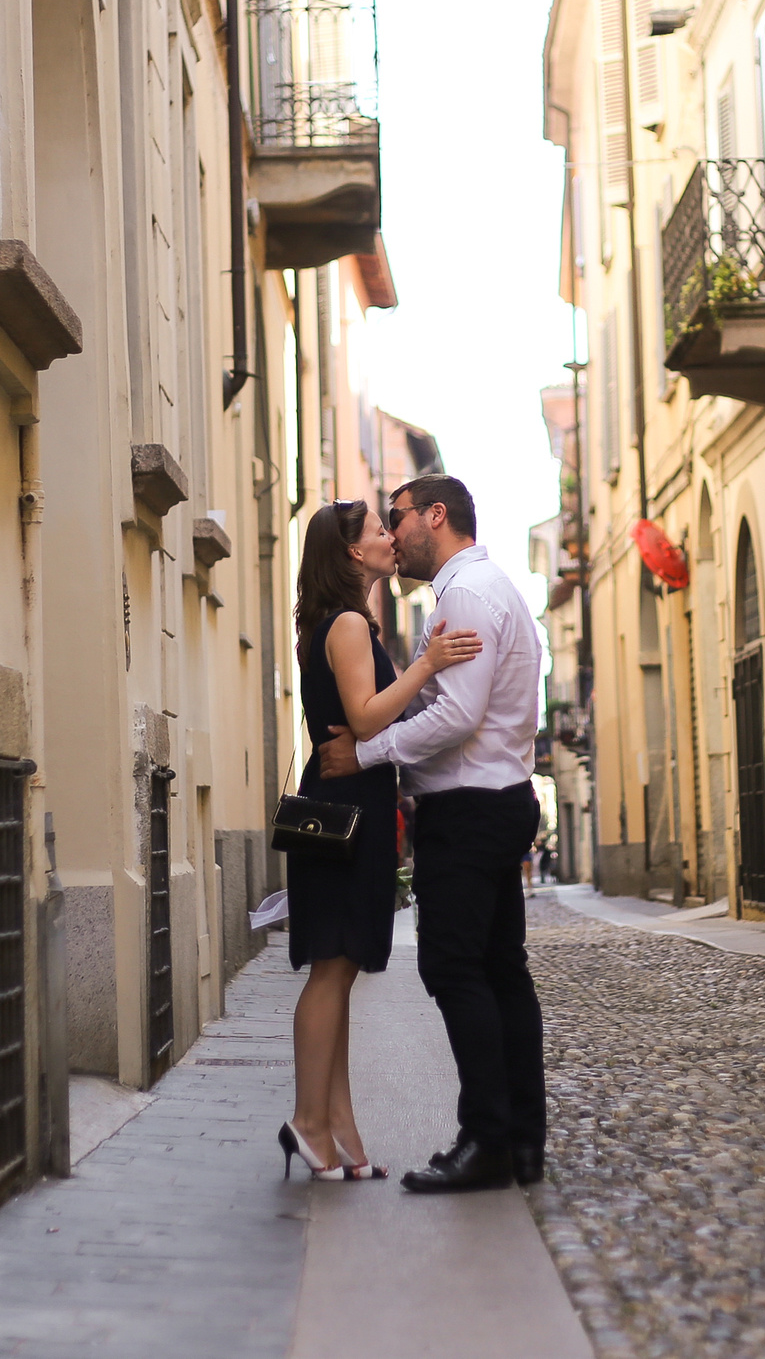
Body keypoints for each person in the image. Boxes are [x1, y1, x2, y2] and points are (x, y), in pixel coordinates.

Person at [317, 475, 547, 1194]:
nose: (392, 529)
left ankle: (487, 1139)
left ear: (435, 516)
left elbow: (459, 717)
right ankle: (518, 1139)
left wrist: (366, 753)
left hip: (471, 807)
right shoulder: (483, 587)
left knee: (455, 970)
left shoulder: (467, 594)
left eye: (398, 515)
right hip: (491, 799)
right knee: (501, 970)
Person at [281, 498, 480, 1182]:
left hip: (349, 801)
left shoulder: (344, 622)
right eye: (376, 532)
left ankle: (340, 1128)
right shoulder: (344, 625)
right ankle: (309, 1122)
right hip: (344, 807)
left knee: (339, 969)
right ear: (350, 554)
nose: (390, 539)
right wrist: (427, 665)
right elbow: (365, 720)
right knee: (332, 969)